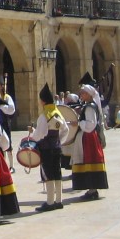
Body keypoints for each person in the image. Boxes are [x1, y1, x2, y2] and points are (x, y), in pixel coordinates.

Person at [29, 83, 69, 211]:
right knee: (57, 173)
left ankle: (50, 202)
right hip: (57, 147)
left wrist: (32, 134)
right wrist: (59, 141)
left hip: (46, 149)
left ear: (43, 101)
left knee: (48, 174)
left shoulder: (43, 116)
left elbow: (39, 135)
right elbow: (65, 129)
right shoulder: (57, 113)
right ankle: (59, 201)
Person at [71, 82, 108, 201]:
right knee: (89, 162)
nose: (81, 95)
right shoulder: (89, 105)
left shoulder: (89, 107)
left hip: (89, 137)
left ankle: (92, 190)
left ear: (89, 94)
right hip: (89, 137)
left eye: (83, 93)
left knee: (90, 161)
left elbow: (91, 124)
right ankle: (92, 189)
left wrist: (78, 123)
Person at [0, 80, 17, 172]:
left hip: (5, 124)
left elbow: (12, 109)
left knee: (8, 144)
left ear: (2, 86)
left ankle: (11, 166)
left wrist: (2, 106)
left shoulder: (7, 97)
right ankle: (3, 166)